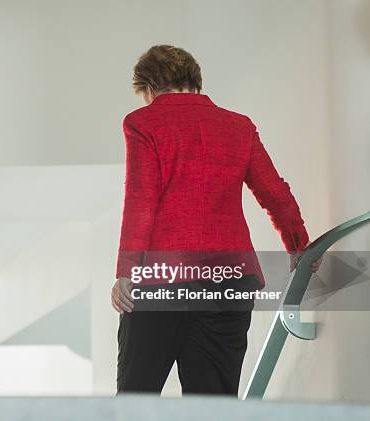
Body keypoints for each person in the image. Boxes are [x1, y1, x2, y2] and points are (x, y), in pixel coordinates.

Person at [111, 45, 320, 396]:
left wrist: (127, 271)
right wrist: (300, 245)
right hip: (230, 283)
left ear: (148, 87)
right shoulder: (238, 126)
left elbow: (140, 200)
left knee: (136, 399)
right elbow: (274, 191)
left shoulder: (143, 122)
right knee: (214, 404)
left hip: (162, 281)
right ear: (195, 81)